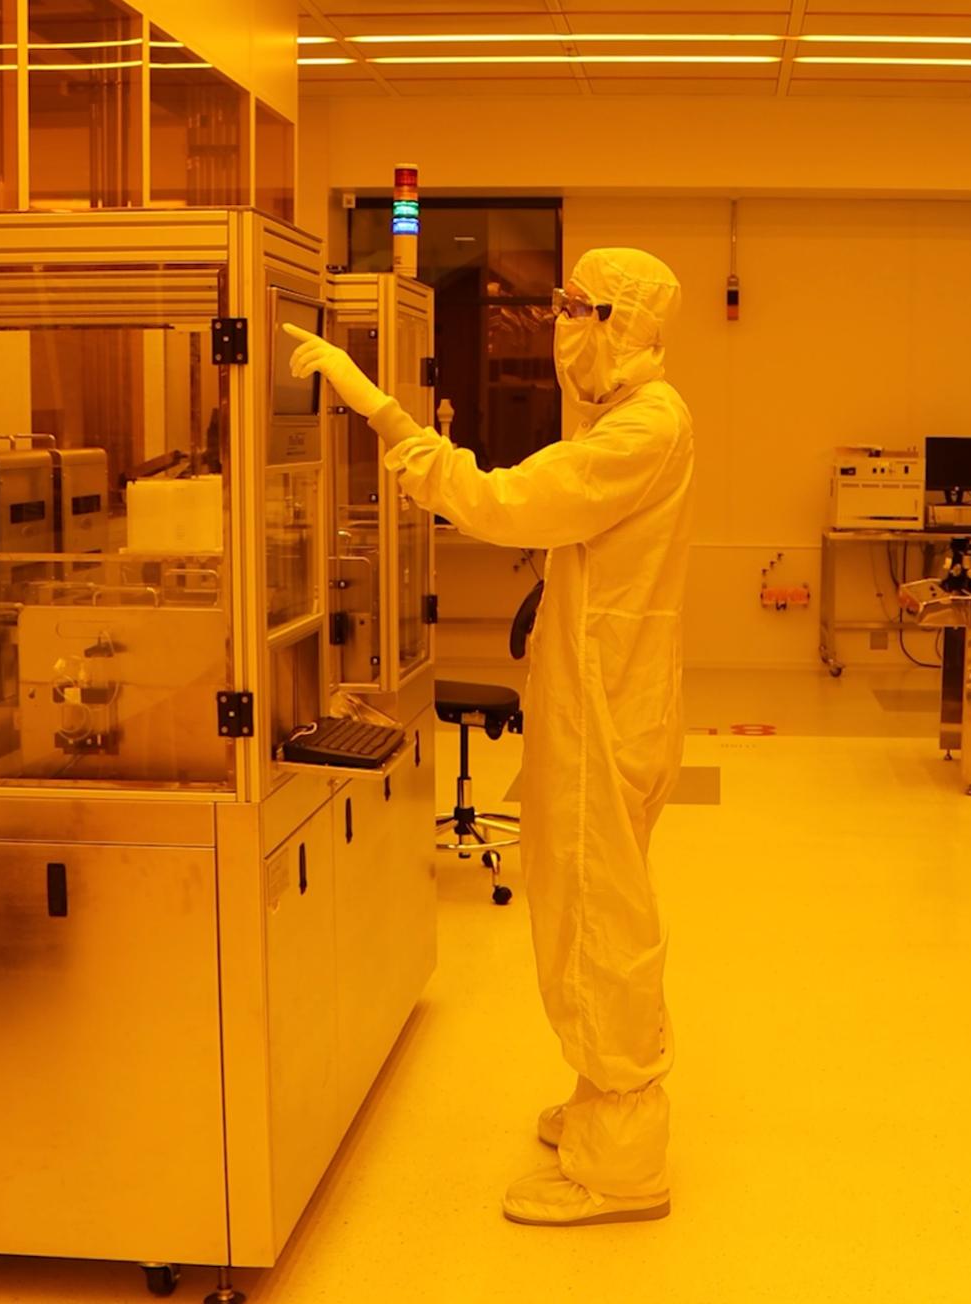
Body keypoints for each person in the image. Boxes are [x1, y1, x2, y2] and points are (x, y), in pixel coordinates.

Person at [284, 248, 693, 1227]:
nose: (559, 331)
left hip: (607, 709)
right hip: (600, 698)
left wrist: (382, 411)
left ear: (625, 322)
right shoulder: (627, 422)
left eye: (576, 311)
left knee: (601, 926)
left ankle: (625, 1156)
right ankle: (599, 1104)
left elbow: (504, 499)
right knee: (580, 904)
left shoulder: (643, 426)